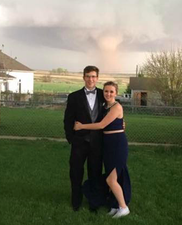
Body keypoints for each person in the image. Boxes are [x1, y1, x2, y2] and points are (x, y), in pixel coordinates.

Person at [74, 81, 131, 218]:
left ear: (116, 93)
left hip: (117, 144)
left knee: (111, 180)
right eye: (106, 91)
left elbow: (101, 125)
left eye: (111, 91)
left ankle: (124, 207)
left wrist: (82, 126)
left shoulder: (116, 107)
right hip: (108, 145)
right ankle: (114, 205)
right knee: (112, 178)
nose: (108, 94)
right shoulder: (105, 107)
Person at [63, 65, 105, 212]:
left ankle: (94, 203)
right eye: (88, 76)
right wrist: (71, 139)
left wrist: (121, 123)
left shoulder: (103, 95)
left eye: (93, 76)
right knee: (75, 173)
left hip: (97, 143)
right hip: (79, 143)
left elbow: (111, 114)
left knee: (95, 173)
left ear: (97, 78)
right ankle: (76, 202)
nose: (90, 79)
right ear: (83, 77)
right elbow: (68, 120)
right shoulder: (74, 97)